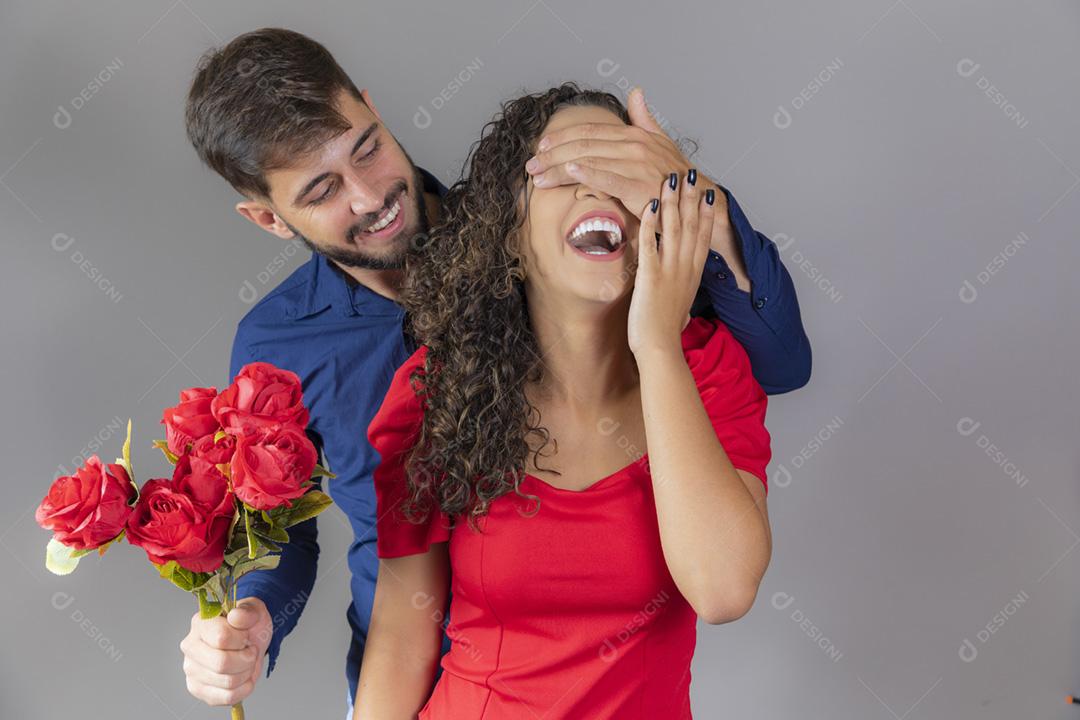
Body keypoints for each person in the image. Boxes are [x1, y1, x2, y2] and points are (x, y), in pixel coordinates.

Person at [176, 28, 809, 715]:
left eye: (367, 149)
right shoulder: (280, 348)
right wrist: (256, 615)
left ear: (373, 109)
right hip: (402, 673)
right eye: (324, 189)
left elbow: (780, 362)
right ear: (268, 219)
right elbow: (284, 535)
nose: (370, 196)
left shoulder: (566, 257)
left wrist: (692, 197)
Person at [356, 84, 773, 719]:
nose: (595, 191)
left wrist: (658, 344)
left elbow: (723, 591)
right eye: (563, 172)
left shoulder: (709, 370)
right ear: (510, 234)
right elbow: (401, 636)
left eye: (618, 174)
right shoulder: (436, 392)